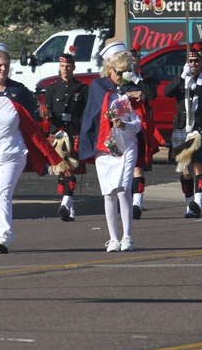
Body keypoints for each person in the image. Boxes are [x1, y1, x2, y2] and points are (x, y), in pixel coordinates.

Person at [0, 42, 60, 254]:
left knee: (1, 193)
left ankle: (5, 234)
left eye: (6, 65)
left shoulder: (19, 91)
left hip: (13, 153)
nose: (3, 69)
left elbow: (31, 125)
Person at [78, 41, 142, 252]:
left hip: (127, 143)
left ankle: (128, 236)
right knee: (108, 193)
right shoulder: (98, 85)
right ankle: (113, 238)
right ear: (109, 69)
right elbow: (98, 107)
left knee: (124, 190)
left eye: (125, 72)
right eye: (118, 72)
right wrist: (124, 96)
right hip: (105, 145)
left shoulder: (132, 85)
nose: (121, 76)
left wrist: (133, 91)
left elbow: (141, 113)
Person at [163, 45, 202, 218]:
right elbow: (166, 92)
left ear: (201, 63)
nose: (193, 64)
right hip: (182, 126)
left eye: (196, 61)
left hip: (200, 126)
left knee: (200, 166)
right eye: (190, 61)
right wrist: (182, 79)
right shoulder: (181, 79)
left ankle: (198, 205)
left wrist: (195, 87)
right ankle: (189, 205)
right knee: (185, 171)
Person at [39, 49, 87, 221]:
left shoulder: (82, 88)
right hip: (58, 132)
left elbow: (87, 113)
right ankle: (69, 207)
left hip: (74, 130)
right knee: (62, 170)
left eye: (68, 66)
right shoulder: (52, 89)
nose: (65, 69)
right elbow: (47, 112)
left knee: (68, 168)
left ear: (74, 67)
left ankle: (66, 202)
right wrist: (46, 116)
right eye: (62, 66)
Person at [126, 45, 157, 219]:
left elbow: (151, 95)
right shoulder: (121, 80)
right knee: (125, 168)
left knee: (138, 166)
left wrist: (138, 82)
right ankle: (127, 201)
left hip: (141, 126)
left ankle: (137, 202)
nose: (133, 62)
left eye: (135, 59)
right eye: (130, 59)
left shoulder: (145, 80)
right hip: (124, 126)